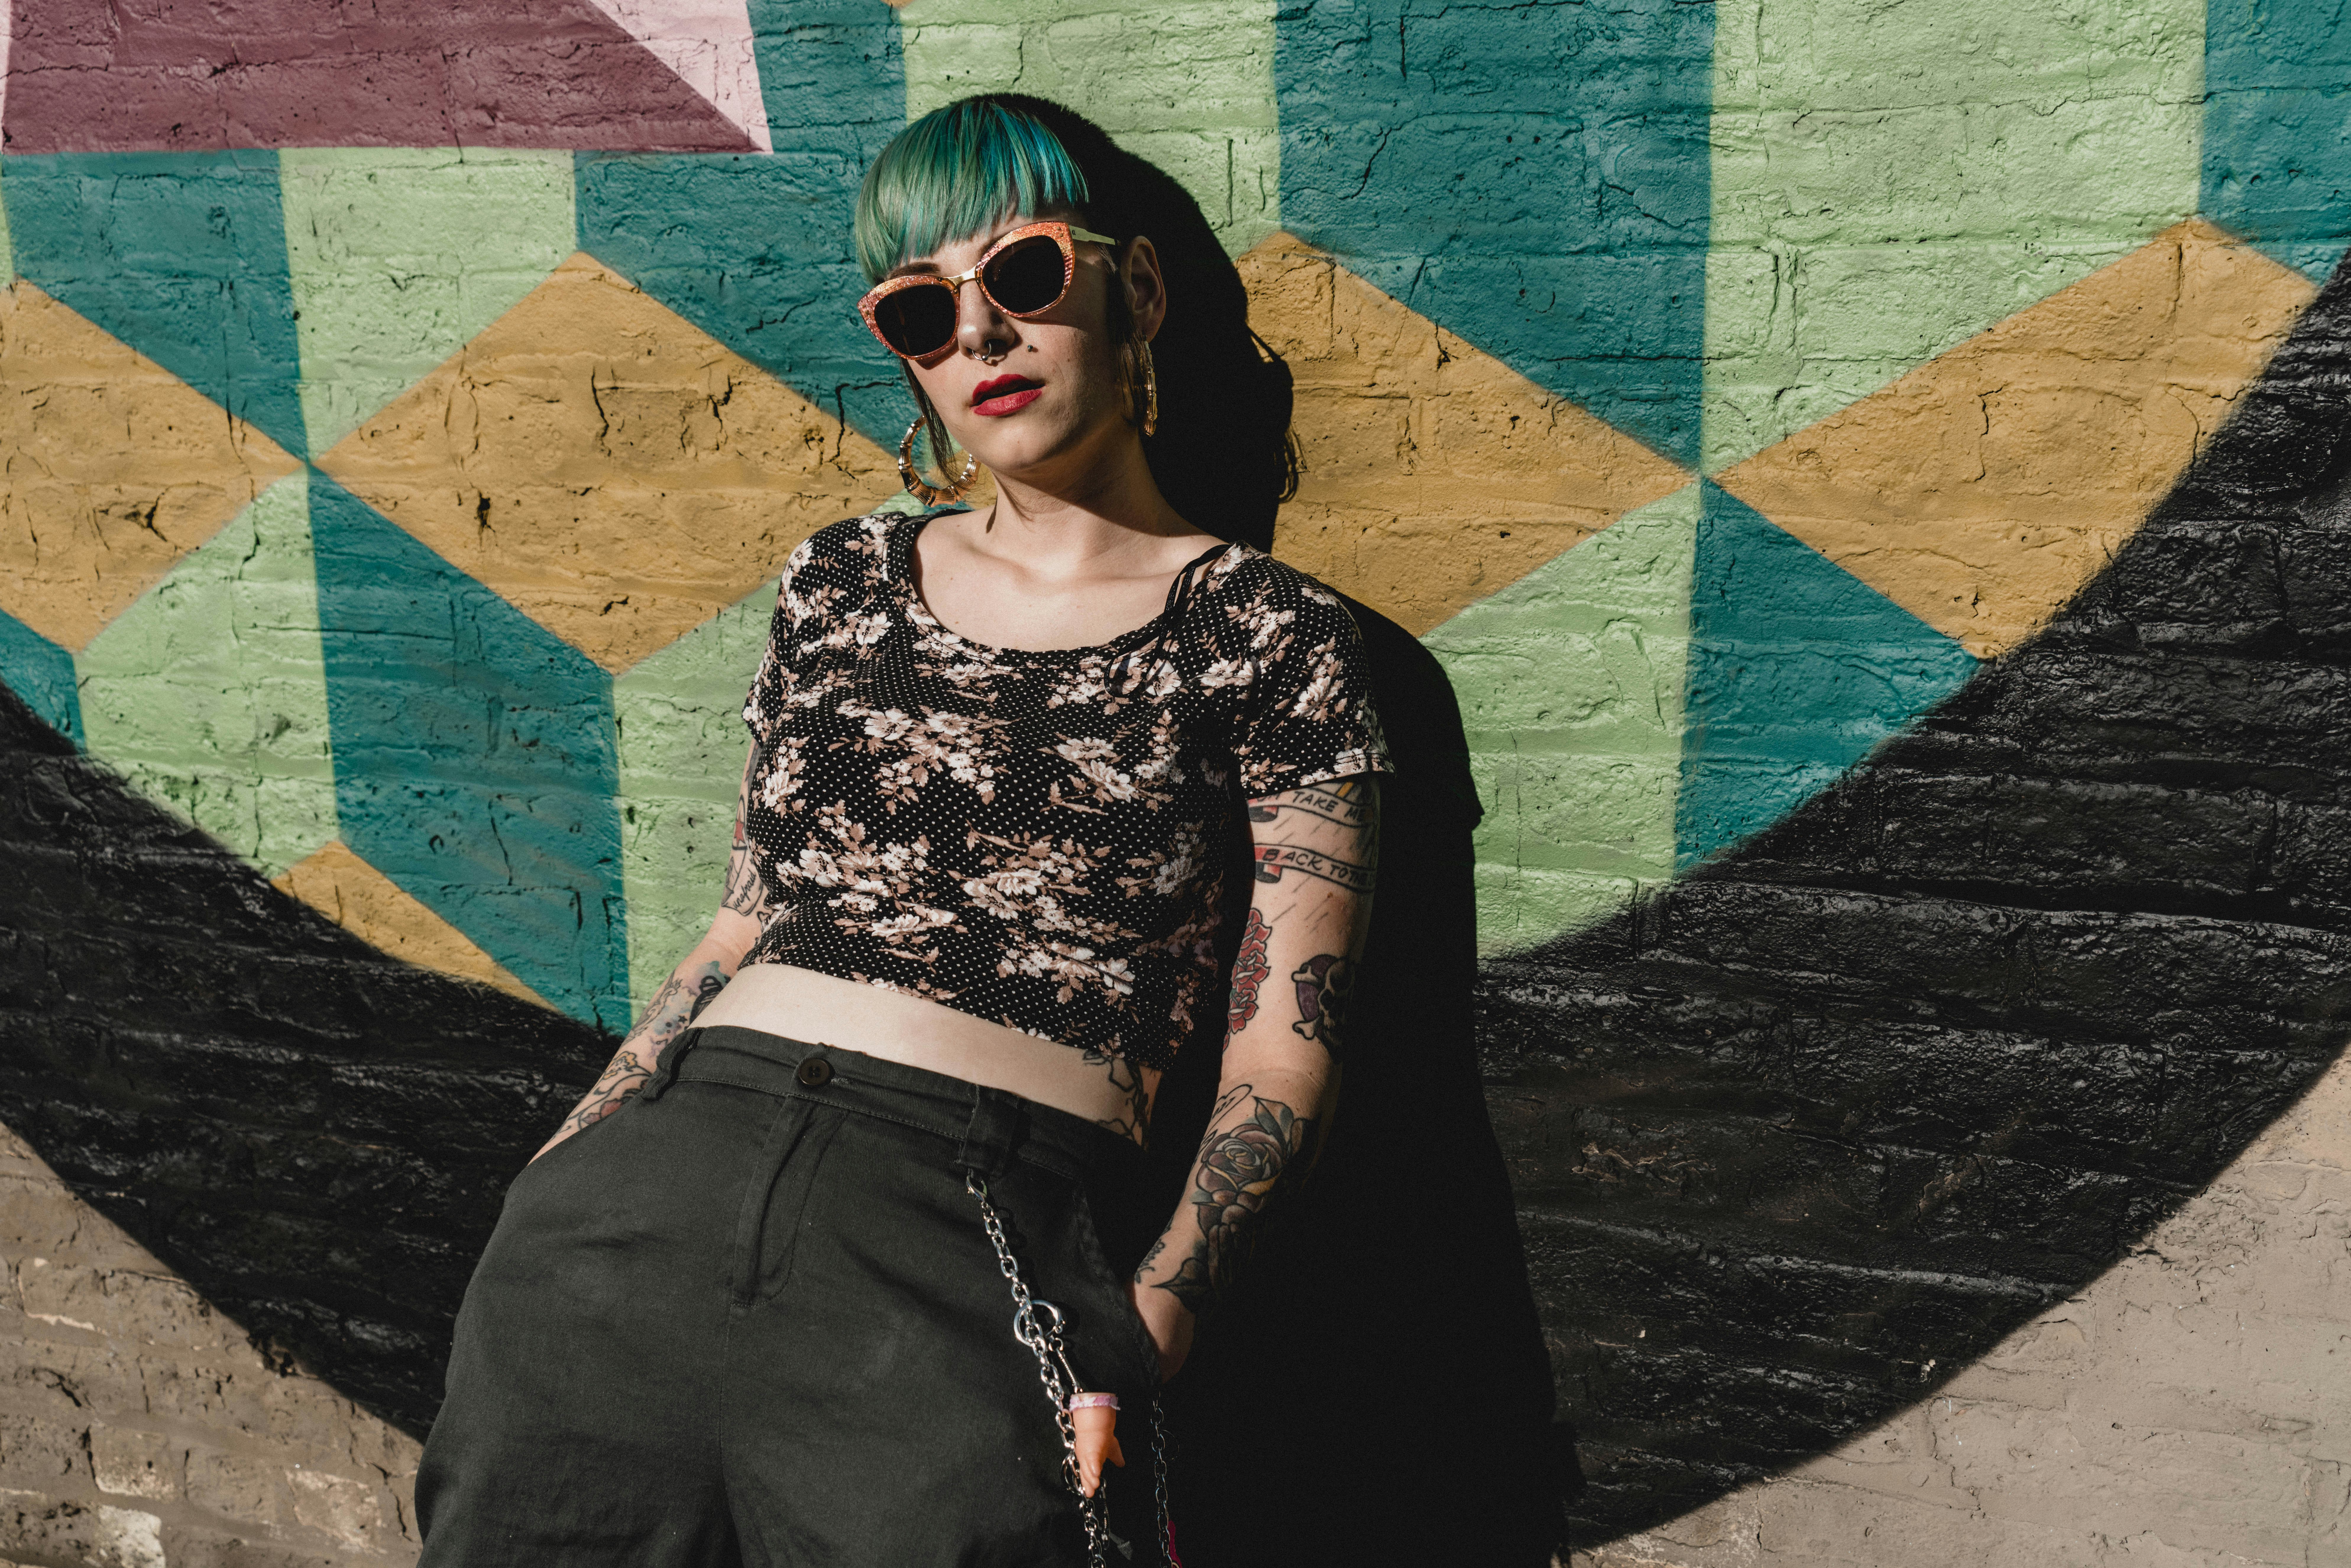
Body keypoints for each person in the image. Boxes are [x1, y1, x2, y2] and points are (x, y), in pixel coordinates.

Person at [412, 94, 1390, 1567]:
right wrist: (562, 1168)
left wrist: (1150, 1324)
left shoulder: (1264, 630)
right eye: (921, 309)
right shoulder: (840, 580)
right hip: (638, 1216)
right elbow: (744, 917)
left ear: (1137, 289)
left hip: (972, 1232)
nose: (979, 336)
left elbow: (1283, 1036)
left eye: (1024, 277)